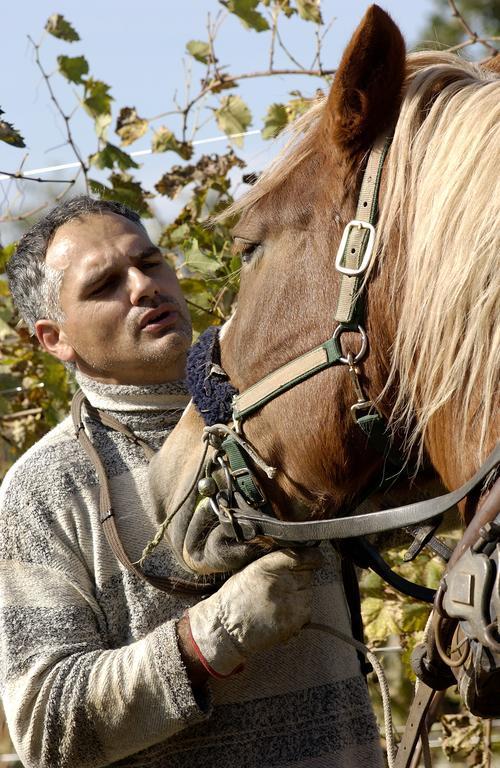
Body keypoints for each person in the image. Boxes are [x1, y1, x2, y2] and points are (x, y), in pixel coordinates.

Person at [0, 196, 382, 768]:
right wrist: (208, 640)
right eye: (104, 284)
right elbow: (47, 730)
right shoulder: (44, 488)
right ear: (54, 338)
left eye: (150, 262)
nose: (143, 286)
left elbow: (400, 524)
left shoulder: (282, 414)